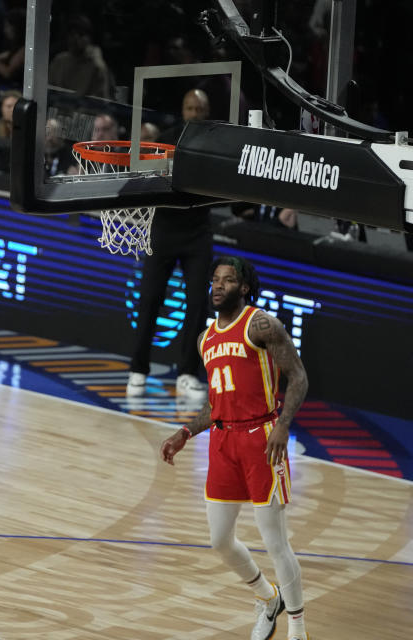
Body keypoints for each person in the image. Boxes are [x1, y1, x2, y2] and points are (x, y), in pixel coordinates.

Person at [160, 256, 310, 640]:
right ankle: (268, 597)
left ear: (243, 288)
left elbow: (298, 377)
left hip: (262, 439)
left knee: (275, 540)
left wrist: (284, 425)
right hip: (223, 443)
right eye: (214, 280)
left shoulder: (260, 324)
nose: (217, 286)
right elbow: (216, 402)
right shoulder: (205, 338)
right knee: (219, 540)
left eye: (227, 280)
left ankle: (298, 628)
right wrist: (185, 433)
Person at [126, 88, 213, 400]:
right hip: (164, 228)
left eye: (199, 109)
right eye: (189, 108)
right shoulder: (166, 140)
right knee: (149, 299)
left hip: (198, 231)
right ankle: (138, 368)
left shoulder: (217, 145)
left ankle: (188, 374)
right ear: (183, 110)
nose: (194, 113)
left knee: (198, 304)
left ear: (207, 112)